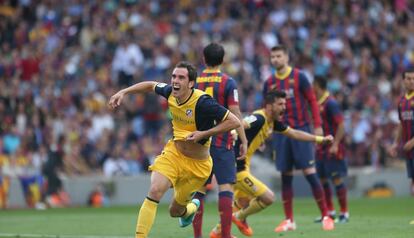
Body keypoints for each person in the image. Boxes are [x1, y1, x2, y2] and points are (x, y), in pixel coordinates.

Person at [108, 61, 241, 238]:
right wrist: (123, 91)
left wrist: (204, 134)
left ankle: (191, 207)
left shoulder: (203, 102)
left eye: (181, 77)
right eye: (173, 76)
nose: (175, 81)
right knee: (155, 191)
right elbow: (149, 85)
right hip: (174, 154)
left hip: (198, 166)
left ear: (191, 83)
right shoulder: (170, 92)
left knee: (175, 211)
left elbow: (234, 121)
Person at [210, 90, 333, 236]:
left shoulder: (272, 123)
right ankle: (239, 218)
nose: (284, 107)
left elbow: (294, 133)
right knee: (268, 198)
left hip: (243, 166)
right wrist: (232, 135)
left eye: (285, 104)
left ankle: (217, 232)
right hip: (236, 168)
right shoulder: (259, 118)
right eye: (280, 104)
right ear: (269, 106)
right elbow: (240, 124)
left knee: (243, 201)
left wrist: (320, 139)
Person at [262, 45, 334, 232]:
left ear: (286, 57)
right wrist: (264, 133)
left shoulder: (299, 77)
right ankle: (289, 220)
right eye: (273, 57)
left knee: (310, 172)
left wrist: (317, 125)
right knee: (285, 176)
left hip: (301, 129)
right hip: (280, 134)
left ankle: (326, 215)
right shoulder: (269, 82)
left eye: (278, 56)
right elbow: (266, 110)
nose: (275, 59)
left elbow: (311, 100)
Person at [192, 43, 248, 238]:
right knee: (225, 186)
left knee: (199, 190)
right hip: (222, 141)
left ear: (203, 59)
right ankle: (225, 235)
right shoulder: (228, 82)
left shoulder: (194, 81)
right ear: (223, 60)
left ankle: (197, 236)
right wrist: (243, 140)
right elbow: (235, 113)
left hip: (199, 143)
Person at [313, 76, 349, 223]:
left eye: (313, 85)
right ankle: (330, 212)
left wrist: (335, 145)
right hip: (321, 147)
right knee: (322, 180)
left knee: (336, 179)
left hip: (333, 148)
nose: (311, 89)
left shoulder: (331, 103)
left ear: (318, 86)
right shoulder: (316, 103)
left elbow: (341, 125)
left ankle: (344, 213)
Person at [390, 68, 414, 225]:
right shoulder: (402, 101)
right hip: (409, 150)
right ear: (403, 81)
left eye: (413, 78)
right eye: (408, 78)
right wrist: (395, 143)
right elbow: (401, 124)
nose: (411, 81)